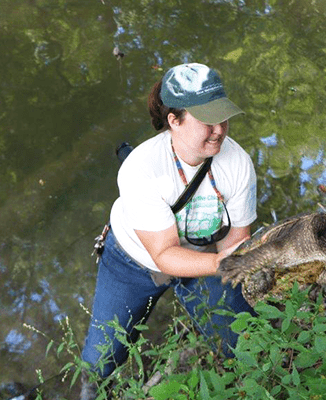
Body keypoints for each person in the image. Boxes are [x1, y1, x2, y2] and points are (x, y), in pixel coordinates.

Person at [80, 63, 257, 398]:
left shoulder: (237, 163)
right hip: (133, 262)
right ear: (173, 121)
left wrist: (236, 263)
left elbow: (237, 245)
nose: (219, 129)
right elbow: (163, 255)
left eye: (223, 116)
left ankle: (250, 383)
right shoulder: (140, 170)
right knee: (101, 358)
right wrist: (226, 263)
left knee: (243, 341)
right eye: (207, 120)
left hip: (203, 258)